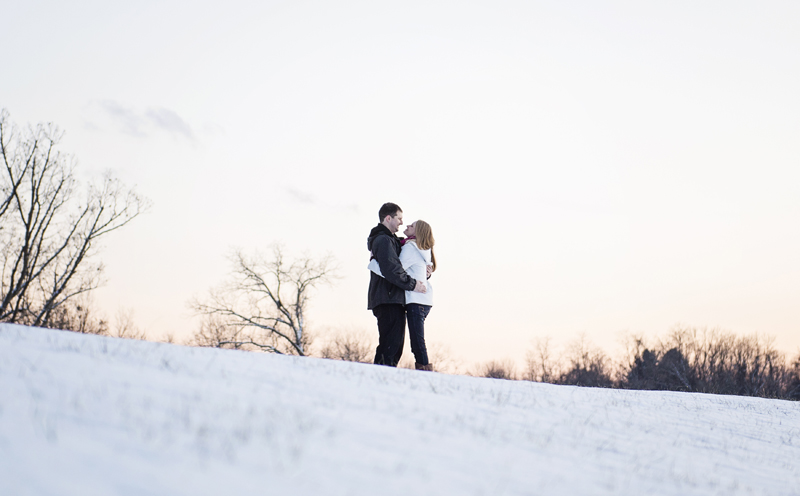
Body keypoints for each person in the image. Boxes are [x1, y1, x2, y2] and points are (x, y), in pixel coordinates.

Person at [369, 219, 436, 371]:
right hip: (422, 300)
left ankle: (425, 371)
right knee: (415, 341)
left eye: (411, 226)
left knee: (417, 342)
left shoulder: (410, 248)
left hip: (416, 300)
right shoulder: (416, 247)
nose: (406, 225)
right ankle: (424, 370)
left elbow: (395, 271)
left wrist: (373, 263)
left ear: (417, 232)